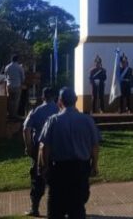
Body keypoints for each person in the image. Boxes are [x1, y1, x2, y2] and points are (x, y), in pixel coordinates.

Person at [38, 87, 101, 219]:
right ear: (76, 100)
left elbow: (44, 147)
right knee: (77, 208)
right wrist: (94, 165)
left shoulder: (52, 121)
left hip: (59, 169)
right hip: (80, 169)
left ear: (59, 101)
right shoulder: (87, 120)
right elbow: (94, 146)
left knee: (56, 209)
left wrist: (45, 167)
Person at [22, 87, 59, 217]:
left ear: (42, 97)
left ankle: (35, 208)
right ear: (54, 97)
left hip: (40, 148)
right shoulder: (60, 110)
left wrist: (29, 146)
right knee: (56, 179)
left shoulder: (36, 111)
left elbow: (26, 129)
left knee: (37, 179)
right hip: (57, 149)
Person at [4, 55, 26, 119]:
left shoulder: (7, 67)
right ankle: (14, 114)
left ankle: (10, 114)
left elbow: (5, 76)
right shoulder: (19, 67)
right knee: (16, 101)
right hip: (17, 86)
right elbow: (23, 78)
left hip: (9, 86)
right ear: (17, 60)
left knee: (10, 100)